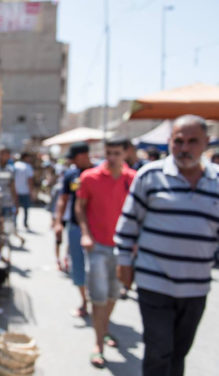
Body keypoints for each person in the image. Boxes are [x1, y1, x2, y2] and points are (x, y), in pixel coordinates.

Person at [114, 115, 218, 376]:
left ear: (207, 142)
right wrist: (123, 262)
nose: (184, 148)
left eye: (192, 141)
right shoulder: (150, 175)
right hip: (154, 282)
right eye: (178, 141)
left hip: (195, 287)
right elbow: (128, 224)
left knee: (179, 352)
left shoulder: (216, 182)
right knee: (159, 350)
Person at [75, 137, 136, 368]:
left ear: (125, 153)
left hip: (122, 247)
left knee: (113, 292)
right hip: (98, 245)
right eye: (108, 152)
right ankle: (98, 343)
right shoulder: (90, 177)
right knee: (98, 294)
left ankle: (105, 327)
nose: (112, 157)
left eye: (116, 153)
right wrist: (85, 233)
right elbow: (80, 207)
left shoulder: (133, 179)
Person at [54, 142, 93, 317]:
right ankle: (85, 301)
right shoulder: (71, 174)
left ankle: (96, 301)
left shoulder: (98, 173)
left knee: (97, 268)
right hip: (76, 226)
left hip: (98, 229)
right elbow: (63, 199)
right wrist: (57, 222)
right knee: (78, 266)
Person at [0, 148, 24, 248]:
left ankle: (6, 245)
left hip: (7, 202)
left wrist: (16, 204)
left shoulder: (10, 169)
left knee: (8, 226)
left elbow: (13, 187)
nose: (7, 157)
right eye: (5, 154)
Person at [13, 152, 34, 230]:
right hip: (25, 191)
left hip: (16, 190)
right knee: (25, 209)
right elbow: (30, 180)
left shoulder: (15, 165)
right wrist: (31, 191)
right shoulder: (28, 167)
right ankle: (24, 223)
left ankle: (15, 224)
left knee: (16, 208)